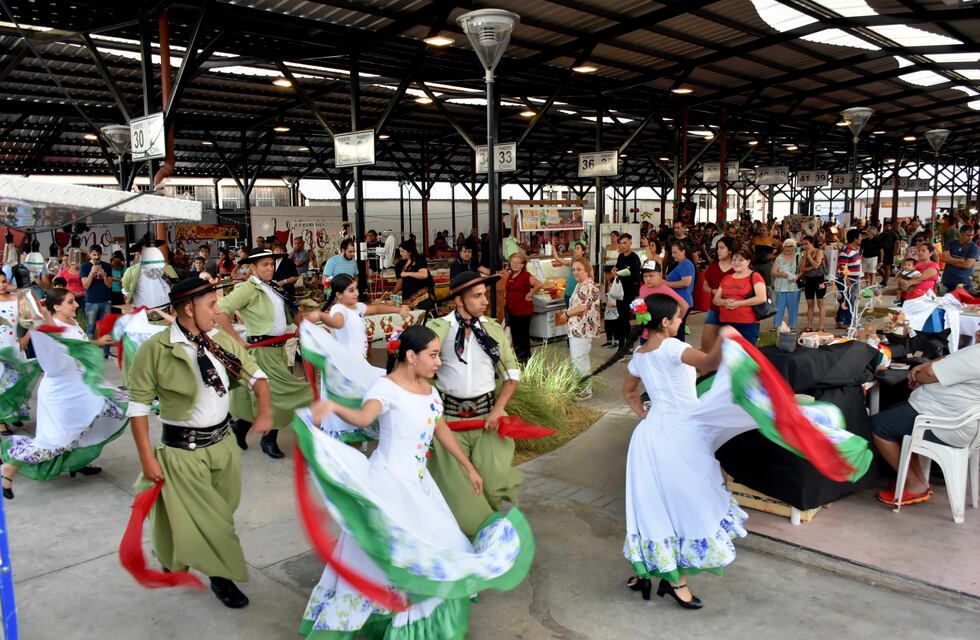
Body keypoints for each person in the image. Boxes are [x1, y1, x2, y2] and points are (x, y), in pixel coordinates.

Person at [297, 325, 533, 638]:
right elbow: (365, 418)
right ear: (411, 356)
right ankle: (387, 618)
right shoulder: (386, 388)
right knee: (380, 558)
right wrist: (333, 407)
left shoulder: (429, 390)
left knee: (441, 548)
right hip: (389, 481)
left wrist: (468, 467)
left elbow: (441, 429)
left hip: (419, 484)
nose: (439, 362)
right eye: (433, 355)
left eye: (439, 355)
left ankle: (411, 616)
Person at [127, 277, 272, 608]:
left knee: (222, 513)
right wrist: (147, 459)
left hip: (224, 446)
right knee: (215, 524)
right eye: (211, 304)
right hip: (183, 452)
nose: (218, 310)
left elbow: (257, 377)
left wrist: (264, 411)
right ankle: (222, 578)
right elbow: (136, 410)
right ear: (189, 308)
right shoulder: (155, 350)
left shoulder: (220, 342)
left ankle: (177, 551)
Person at [426, 271, 523, 536]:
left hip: (488, 422)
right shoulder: (438, 330)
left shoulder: (492, 330)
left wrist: (499, 408)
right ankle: (465, 542)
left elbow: (512, 372)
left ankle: (486, 534)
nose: (485, 302)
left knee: (492, 484)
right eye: (477, 296)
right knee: (459, 491)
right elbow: (420, 373)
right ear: (459, 300)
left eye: (484, 295)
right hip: (449, 423)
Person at [1, 288, 120, 500]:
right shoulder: (47, 329)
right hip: (63, 393)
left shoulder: (70, 323)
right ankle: (11, 466)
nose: (76, 305)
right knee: (54, 441)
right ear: (56, 307)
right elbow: (48, 327)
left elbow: (75, 346)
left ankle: (78, 463)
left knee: (105, 414)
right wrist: (36, 307)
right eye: (71, 302)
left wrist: (98, 343)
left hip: (79, 385)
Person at [216, 247, 314, 459]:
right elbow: (220, 311)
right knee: (282, 395)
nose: (270, 268)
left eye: (271, 264)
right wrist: (236, 339)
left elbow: (291, 310)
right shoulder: (247, 288)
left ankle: (239, 429)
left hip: (278, 351)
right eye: (264, 265)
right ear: (253, 267)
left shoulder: (274, 287)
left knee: (262, 395)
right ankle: (268, 439)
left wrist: (301, 325)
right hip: (260, 351)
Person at [871, 343, 980, 506]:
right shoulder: (976, 351)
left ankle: (915, 484)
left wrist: (918, 374)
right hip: (952, 416)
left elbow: (929, 374)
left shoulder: (976, 357)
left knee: (878, 426)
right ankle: (914, 479)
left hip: (946, 422)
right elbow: (953, 358)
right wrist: (926, 365)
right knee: (893, 413)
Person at [561, 257, 600, 400]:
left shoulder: (588, 286)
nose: (575, 272)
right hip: (578, 328)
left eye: (579, 269)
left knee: (579, 360)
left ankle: (586, 390)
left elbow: (583, 306)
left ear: (587, 270)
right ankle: (582, 387)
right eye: (574, 270)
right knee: (578, 359)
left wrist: (567, 314)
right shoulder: (580, 284)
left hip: (582, 328)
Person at [714, 246, 767, 345]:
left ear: (748, 261)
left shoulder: (755, 276)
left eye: (741, 260)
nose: (736, 263)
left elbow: (761, 298)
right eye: (734, 260)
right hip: (726, 322)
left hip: (747, 323)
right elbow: (716, 300)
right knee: (728, 355)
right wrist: (724, 302)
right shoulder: (727, 278)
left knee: (747, 355)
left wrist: (739, 304)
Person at [504, 252, 543, 363]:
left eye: (518, 263)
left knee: (523, 338)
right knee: (516, 338)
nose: (515, 264)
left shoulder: (526, 275)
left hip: (523, 312)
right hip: (512, 311)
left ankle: (525, 362)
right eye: (513, 262)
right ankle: (519, 360)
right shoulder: (511, 275)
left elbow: (539, 284)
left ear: (522, 265)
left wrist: (530, 294)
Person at [701, 236, 735, 352]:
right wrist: (712, 291)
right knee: (706, 344)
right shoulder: (713, 266)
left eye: (721, 248)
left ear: (730, 250)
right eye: (717, 248)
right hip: (714, 309)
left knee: (728, 348)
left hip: (733, 311)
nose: (718, 250)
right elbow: (705, 286)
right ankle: (707, 369)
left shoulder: (738, 267)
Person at [80, 244, 113, 357]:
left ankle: (106, 352)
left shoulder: (107, 266)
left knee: (106, 328)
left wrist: (104, 275)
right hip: (91, 301)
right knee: (90, 328)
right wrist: (91, 273)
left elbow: (109, 285)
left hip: (105, 300)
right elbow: (86, 285)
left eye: (98, 254)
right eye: (94, 254)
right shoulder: (84, 267)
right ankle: (92, 352)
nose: (96, 257)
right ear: (90, 254)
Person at [121, 246, 178, 310]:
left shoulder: (167, 268)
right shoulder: (131, 271)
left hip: (167, 313)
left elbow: (175, 285)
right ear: (140, 254)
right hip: (143, 315)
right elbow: (126, 296)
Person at [664, 241, 696, 342]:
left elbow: (686, 282)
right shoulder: (682, 264)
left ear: (683, 251)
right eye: (672, 253)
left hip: (683, 302)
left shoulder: (685, 264)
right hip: (681, 301)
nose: (673, 255)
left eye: (675, 252)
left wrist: (667, 284)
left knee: (677, 331)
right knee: (677, 330)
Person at [835, 228, 863, 329]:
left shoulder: (854, 250)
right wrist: (847, 282)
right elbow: (843, 268)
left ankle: (839, 320)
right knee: (849, 301)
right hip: (847, 280)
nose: (861, 238)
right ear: (855, 239)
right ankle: (849, 322)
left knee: (846, 300)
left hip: (854, 279)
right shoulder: (845, 251)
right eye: (860, 237)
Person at [394, 240, 435, 310]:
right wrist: (393, 293)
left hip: (423, 296)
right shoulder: (400, 264)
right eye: (400, 251)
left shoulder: (420, 259)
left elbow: (424, 275)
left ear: (409, 252)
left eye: (403, 251)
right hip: (408, 297)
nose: (400, 253)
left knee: (424, 314)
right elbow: (399, 281)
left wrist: (407, 273)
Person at [798, 235, 828, 332]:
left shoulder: (819, 251)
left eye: (806, 244)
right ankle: (809, 326)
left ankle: (821, 327)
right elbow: (801, 268)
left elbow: (816, 265)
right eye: (803, 244)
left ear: (812, 243)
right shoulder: (804, 254)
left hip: (819, 279)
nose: (804, 246)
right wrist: (810, 266)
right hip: (809, 279)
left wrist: (809, 256)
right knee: (810, 304)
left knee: (820, 303)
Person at [772, 238, 801, 331]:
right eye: (786, 246)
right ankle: (777, 325)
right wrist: (781, 274)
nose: (788, 248)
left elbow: (802, 270)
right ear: (783, 247)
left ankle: (792, 326)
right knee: (779, 308)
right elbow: (773, 272)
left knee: (793, 309)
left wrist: (797, 276)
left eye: (791, 246)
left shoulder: (798, 257)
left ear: (795, 247)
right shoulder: (779, 258)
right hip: (781, 287)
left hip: (794, 287)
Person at [940, 224, 979, 293]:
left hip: (964, 283)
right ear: (961, 234)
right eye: (968, 235)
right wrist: (960, 260)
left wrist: (950, 260)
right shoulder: (951, 243)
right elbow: (944, 259)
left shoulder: (974, 248)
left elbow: (967, 265)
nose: (970, 238)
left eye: (972, 235)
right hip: (947, 281)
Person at [551, 240, 587, 307]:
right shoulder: (571, 262)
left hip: (578, 295)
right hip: (568, 294)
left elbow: (591, 279)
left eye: (578, 248)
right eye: (575, 248)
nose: (575, 250)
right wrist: (553, 246)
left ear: (583, 252)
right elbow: (557, 258)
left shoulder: (586, 264)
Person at [878, 220, 901, 285]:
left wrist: (896, 251)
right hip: (881, 253)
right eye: (886, 226)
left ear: (891, 227)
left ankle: (885, 281)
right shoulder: (881, 234)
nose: (887, 228)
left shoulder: (893, 234)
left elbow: (898, 242)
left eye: (889, 226)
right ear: (884, 227)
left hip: (889, 253)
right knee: (880, 268)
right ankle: (884, 279)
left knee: (887, 267)